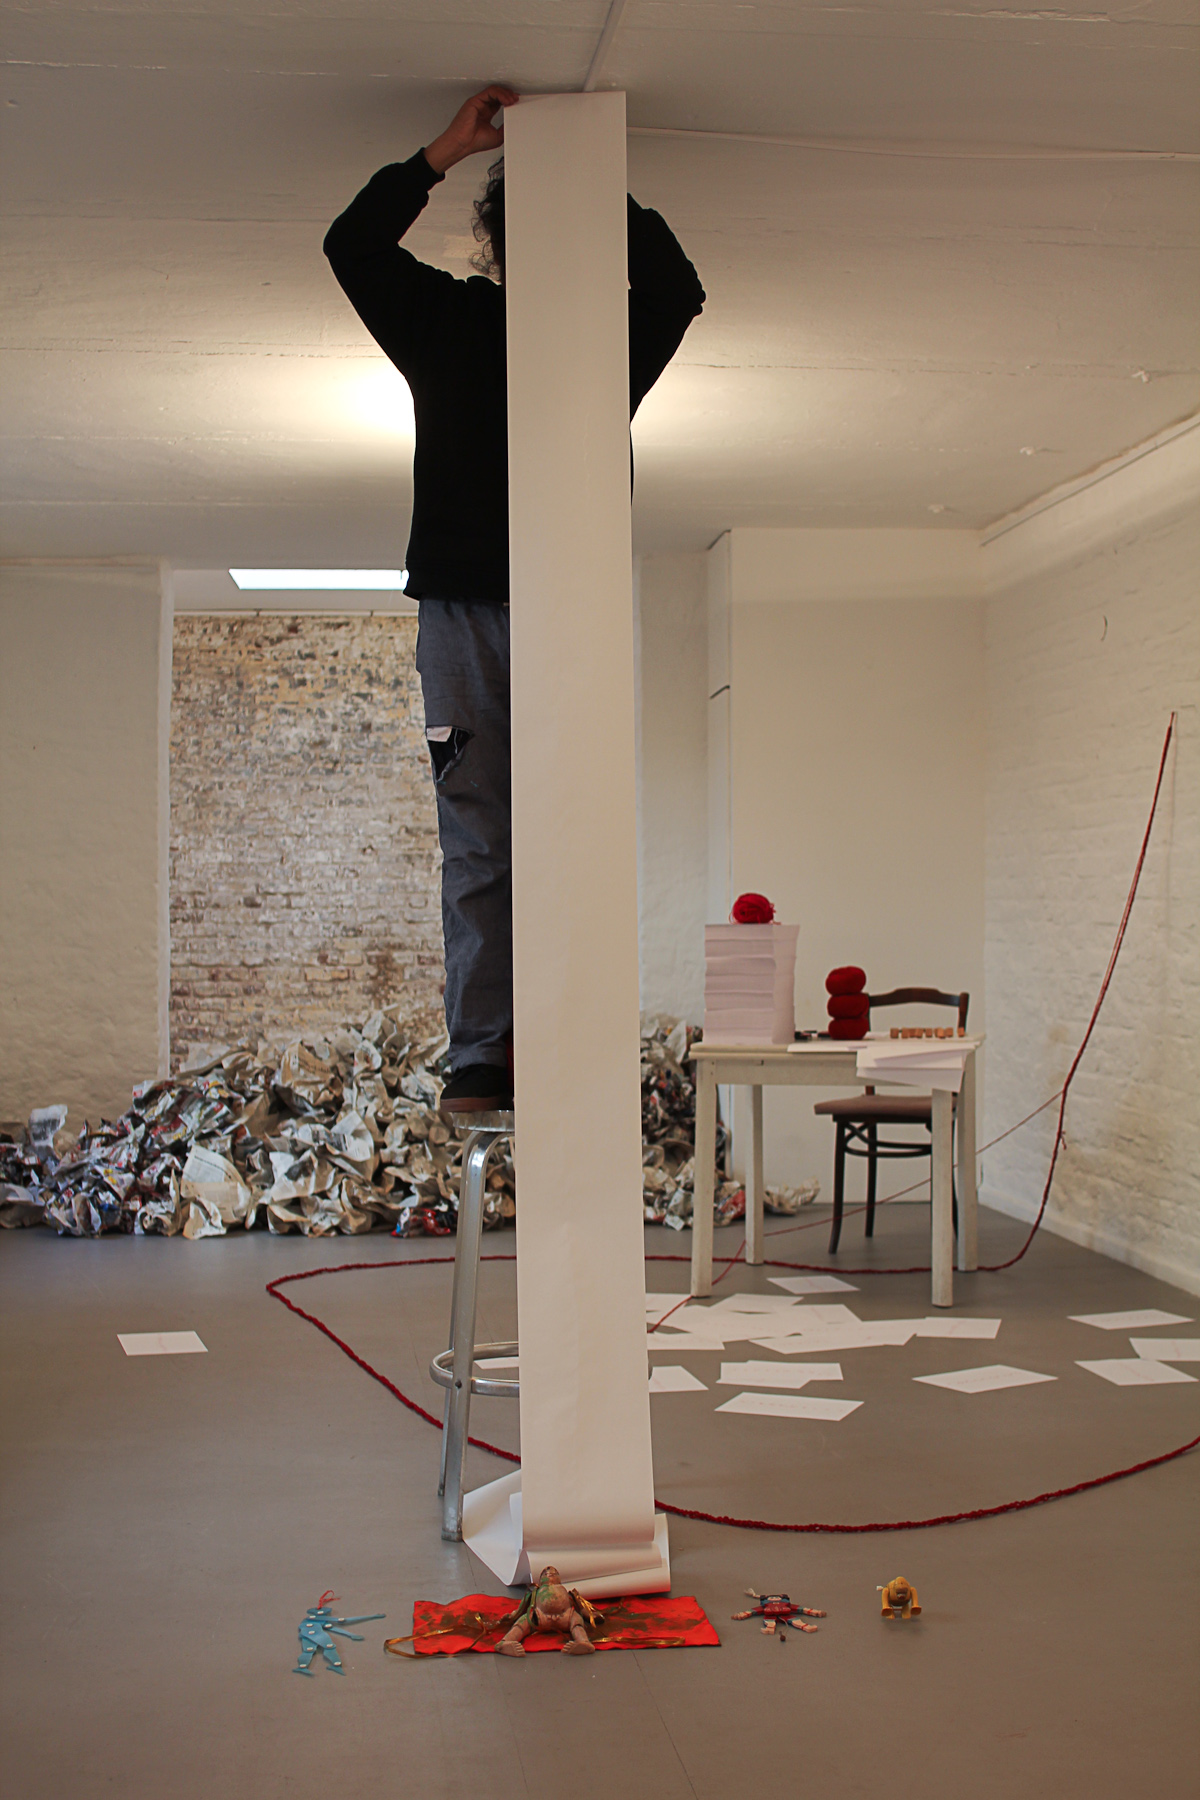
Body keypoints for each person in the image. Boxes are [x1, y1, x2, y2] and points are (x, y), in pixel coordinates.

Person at [324, 86, 705, 1115]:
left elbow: (679, 287)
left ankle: (571, 1034)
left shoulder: (606, 340)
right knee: (480, 835)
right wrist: (442, 152)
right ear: (497, 246)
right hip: (462, 612)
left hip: (571, 606)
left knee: (573, 826)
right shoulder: (446, 318)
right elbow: (351, 246)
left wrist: (582, 181)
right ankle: (483, 1054)